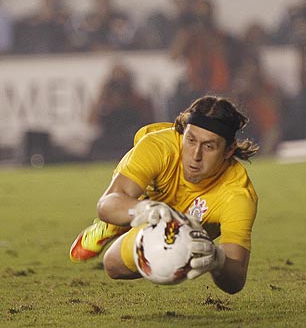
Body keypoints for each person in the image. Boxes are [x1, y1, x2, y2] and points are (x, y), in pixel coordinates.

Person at [70, 96, 259, 294]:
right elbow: (106, 204)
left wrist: (217, 260)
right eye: (191, 140)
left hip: (191, 230)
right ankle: (116, 223)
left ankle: (134, 219)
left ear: (229, 151)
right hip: (148, 199)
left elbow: (236, 278)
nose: (196, 155)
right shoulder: (160, 146)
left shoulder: (238, 195)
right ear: (183, 133)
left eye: (209, 146)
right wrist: (141, 209)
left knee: (114, 265)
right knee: (113, 264)